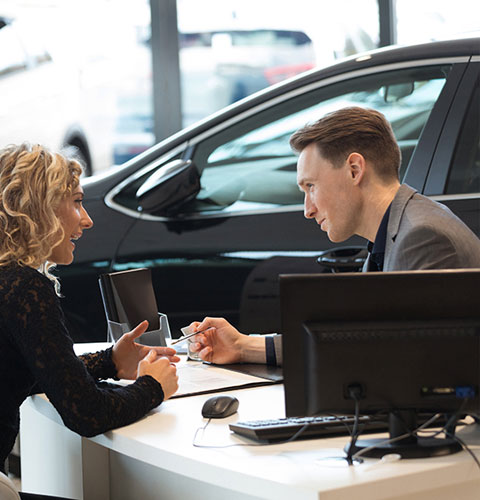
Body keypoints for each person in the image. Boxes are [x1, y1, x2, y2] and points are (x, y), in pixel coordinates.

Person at [0, 144, 179, 493]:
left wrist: (111, 361)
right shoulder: (22, 288)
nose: (86, 219)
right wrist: (153, 387)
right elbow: (88, 413)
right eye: (76, 202)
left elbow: (34, 374)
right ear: (38, 210)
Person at [187, 106, 480, 366]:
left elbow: (397, 362)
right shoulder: (398, 230)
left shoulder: (421, 237)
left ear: (354, 170)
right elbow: (358, 337)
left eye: (311, 186)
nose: (308, 210)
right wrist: (241, 345)